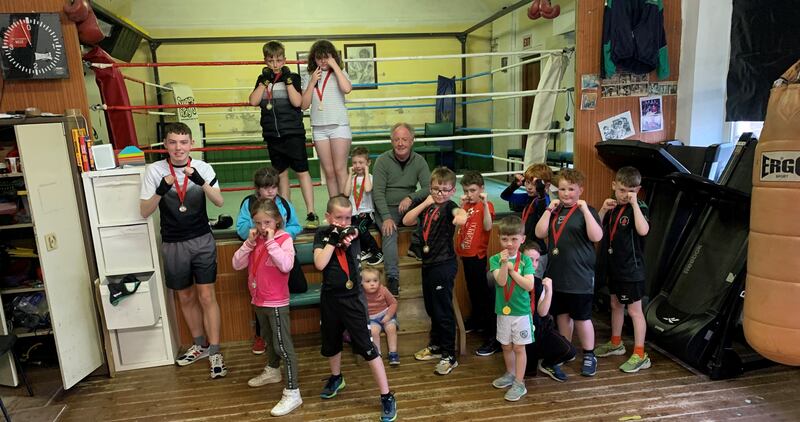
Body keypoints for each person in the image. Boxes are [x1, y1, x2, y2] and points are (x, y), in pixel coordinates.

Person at [139, 122, 227, 378]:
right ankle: (199, 345)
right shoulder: (154, 171)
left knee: (207, 296)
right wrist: (160, 190)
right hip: (173, 243)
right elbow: (144, 211)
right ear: (165, 145)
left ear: (191, 144)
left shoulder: (203, 168)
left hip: (201, 240)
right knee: (185, 298)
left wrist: (201, 182)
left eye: (184, 142)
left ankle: (215, 351)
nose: (179, 147)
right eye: (173, 142)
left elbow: (219, 202)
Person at [313, 195, 397, 422]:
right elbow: (320, 263)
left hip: (352, 300)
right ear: (328, 217)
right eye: (338, 217)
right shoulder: (322, 234)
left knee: (368, 348)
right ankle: (336, 377)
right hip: (330, 299)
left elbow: (357, 233)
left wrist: (349, 234)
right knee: (331, 344)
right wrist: (332, 239)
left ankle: (387, 395)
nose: (342, 221)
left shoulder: (353, 234)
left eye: (347, 217)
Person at [231, 198, 302, 416]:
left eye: (267, 222)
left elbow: (286, 265)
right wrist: (249, 244)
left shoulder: (284, 239)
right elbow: (236, 264)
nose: (263, 228)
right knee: (269, 341)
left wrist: (270, 242)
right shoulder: (255, 240)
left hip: (276, 302)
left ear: (277, 221)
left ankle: (293, 392)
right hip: (258, 300)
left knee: (283, 346)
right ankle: (272, 370)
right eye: (258, 223)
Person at [534, 168, 603, 377]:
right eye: (562, 189)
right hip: (557, 275)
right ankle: (565, 351)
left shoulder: (587, 210)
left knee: (582, 318)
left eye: (571, 189)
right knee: (562, 316)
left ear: (580, 190)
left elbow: (597, 236)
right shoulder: (555, 211)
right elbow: (539, 233)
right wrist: (547, 210)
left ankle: (590, 355)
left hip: (580, 276)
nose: (566, 194)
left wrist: (584, 211)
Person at [403, 167, 467, 375]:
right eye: (435, 189)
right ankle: (437, 346)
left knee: (443, 311)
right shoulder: (429, 206)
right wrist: (425, 202)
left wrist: (461, 216)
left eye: (444, 190)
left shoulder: (449, 206)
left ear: (452, 190)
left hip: (443, 265)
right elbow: (407, 220)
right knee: (432, 308)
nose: (439, 193)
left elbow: (459, 214)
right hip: (428, 263)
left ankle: (449, 355)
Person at [248, 40, 319, 229]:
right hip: (272, 134)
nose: (275, 64)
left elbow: (297, 103)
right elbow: (253, 101)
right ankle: (287, 212)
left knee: (302, 172)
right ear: (265, 61)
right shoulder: (261, 79)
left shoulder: (293, 77)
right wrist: (264, 83)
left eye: (279, 60)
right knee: (281, 176)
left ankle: (311, 212)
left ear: (284, 60)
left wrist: (287, 81)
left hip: (293, 133)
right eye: (271, 61)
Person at [236, 167, 302, 354]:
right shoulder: (249, 203)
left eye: (273, 187)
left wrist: (281, 234)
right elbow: (240, 228)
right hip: (258, 257)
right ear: (257, 189)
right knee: (259, 294)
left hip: (281, 253)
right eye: (266, 188)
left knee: (298, 286)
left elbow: (297, 226)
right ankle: (261, 335)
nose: (270, 191)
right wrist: (257, 226)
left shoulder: (284, 204)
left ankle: (281, 330)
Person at [595, 166, 652, 373]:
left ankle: (640, 354)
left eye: (631, 191)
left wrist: (635, 204)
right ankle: (616, 342)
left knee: (634, 311)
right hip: (614, 267)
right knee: (615, 304)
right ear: (614, 186)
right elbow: (596, 230)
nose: (625, 195)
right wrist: (602, 209)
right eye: (621, 190)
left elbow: (643, 230)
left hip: (632, 270)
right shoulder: (612, 208)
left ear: (638, 190)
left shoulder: (640, 207)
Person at [373, 123, 431, 295]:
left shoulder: (419, 161)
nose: (400, 143)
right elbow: (377, 193)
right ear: (391, 141)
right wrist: (386, 217)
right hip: (386, 207)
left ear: (412, 141)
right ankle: (392, 278)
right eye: (396, 139)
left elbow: (429, 188)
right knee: (390, 232)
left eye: (404, 139)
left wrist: (411, 197)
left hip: (409, 206)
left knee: (431, 213)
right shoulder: (382, 161)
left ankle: (415, 245)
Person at [488, 216, 535, 401]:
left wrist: (513, 270)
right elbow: (500, 282)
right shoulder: (494, 259)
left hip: (521, 312)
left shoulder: (526, 261)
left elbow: (529, 286)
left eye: (514, 239)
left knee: (518, 348)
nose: (509, 243)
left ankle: (519, 382)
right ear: (499, 238)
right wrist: (503, 264)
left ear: (522, 239)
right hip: (503, 310)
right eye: (505, 239)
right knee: (506, 346)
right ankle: (510, 373)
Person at [301, 40, 352, 198]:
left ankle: (347, 209)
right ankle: (335, 208)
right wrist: (311, 83)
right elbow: (304, 105)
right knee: (329, 172)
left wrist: (335, 66)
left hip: (339, 126)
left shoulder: (339, 73)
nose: (323, 61)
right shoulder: (309, 76)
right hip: (319, 128)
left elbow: (347, 89)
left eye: (327, 57)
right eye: (319, 57)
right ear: (314, 59)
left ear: (333, 57)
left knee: (340, 169)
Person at [455, 170, 498, 357]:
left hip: (477, 256)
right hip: (465, 255)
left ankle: (493, 337)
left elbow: (488, 226)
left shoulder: (485, 205)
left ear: (481, 189)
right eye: (466, 190)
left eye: (473, 190)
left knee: (482, 295)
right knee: (472, 290)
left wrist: (484, 204)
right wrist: (460, 207)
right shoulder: (466, 205)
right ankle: (478, 320)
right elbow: (459, 225)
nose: (469, 194)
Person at [500, 163, 554, 276]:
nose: (529, 187)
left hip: (538, 252)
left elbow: (542, 208)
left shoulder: (545, 200)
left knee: (534, 285)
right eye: (528, 183)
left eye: (534, 184)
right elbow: (505, 196)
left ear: (546, 186)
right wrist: (515, 185)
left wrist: (541, 192)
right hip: (525, 249)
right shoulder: (527, 197)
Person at [343, 146, 384, 266]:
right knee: (352, 228)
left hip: (367, 213)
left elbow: (367, 189)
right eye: (354, 163)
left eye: (361, 162)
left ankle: (377, 252)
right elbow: (345, 193)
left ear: (368, 163)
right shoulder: (352, 179)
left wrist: (366, 171)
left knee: (360, 227)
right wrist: (349, 175)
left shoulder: (370, 178)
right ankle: (365, 250)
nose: (357, 165)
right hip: (355, 213)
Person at [361, 267, 400, 365]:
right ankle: (377, 355)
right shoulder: (360, 294)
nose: (372, 284)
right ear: (361, 283)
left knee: (391, 328)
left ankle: (393, 353)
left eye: (375, 280)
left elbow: (393, 303)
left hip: (385, 314)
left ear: (379, 281)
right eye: (368, 281)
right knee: (373, 331)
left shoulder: (383, 290)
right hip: (372, 318)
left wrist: (388, 316)